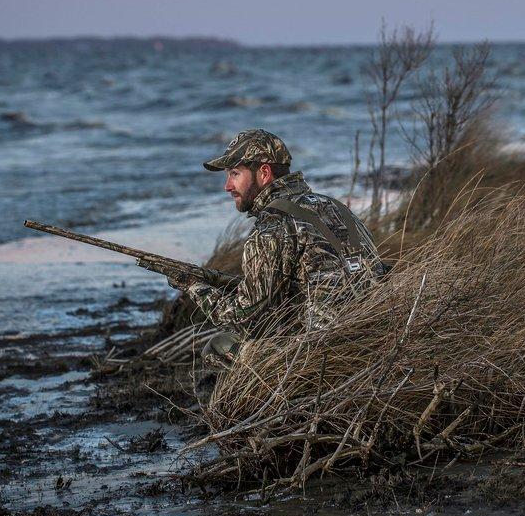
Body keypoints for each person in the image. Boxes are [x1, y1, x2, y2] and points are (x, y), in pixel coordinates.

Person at [164, 129, 385, 370]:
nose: (227, 186)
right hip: (373, 338)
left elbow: (245, 319)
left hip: (324, 354)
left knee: (218, 347)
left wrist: (193, 286)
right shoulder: (336, 208)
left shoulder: (272, 226)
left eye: (235, 174)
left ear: (264, 173)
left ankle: (251, 407)